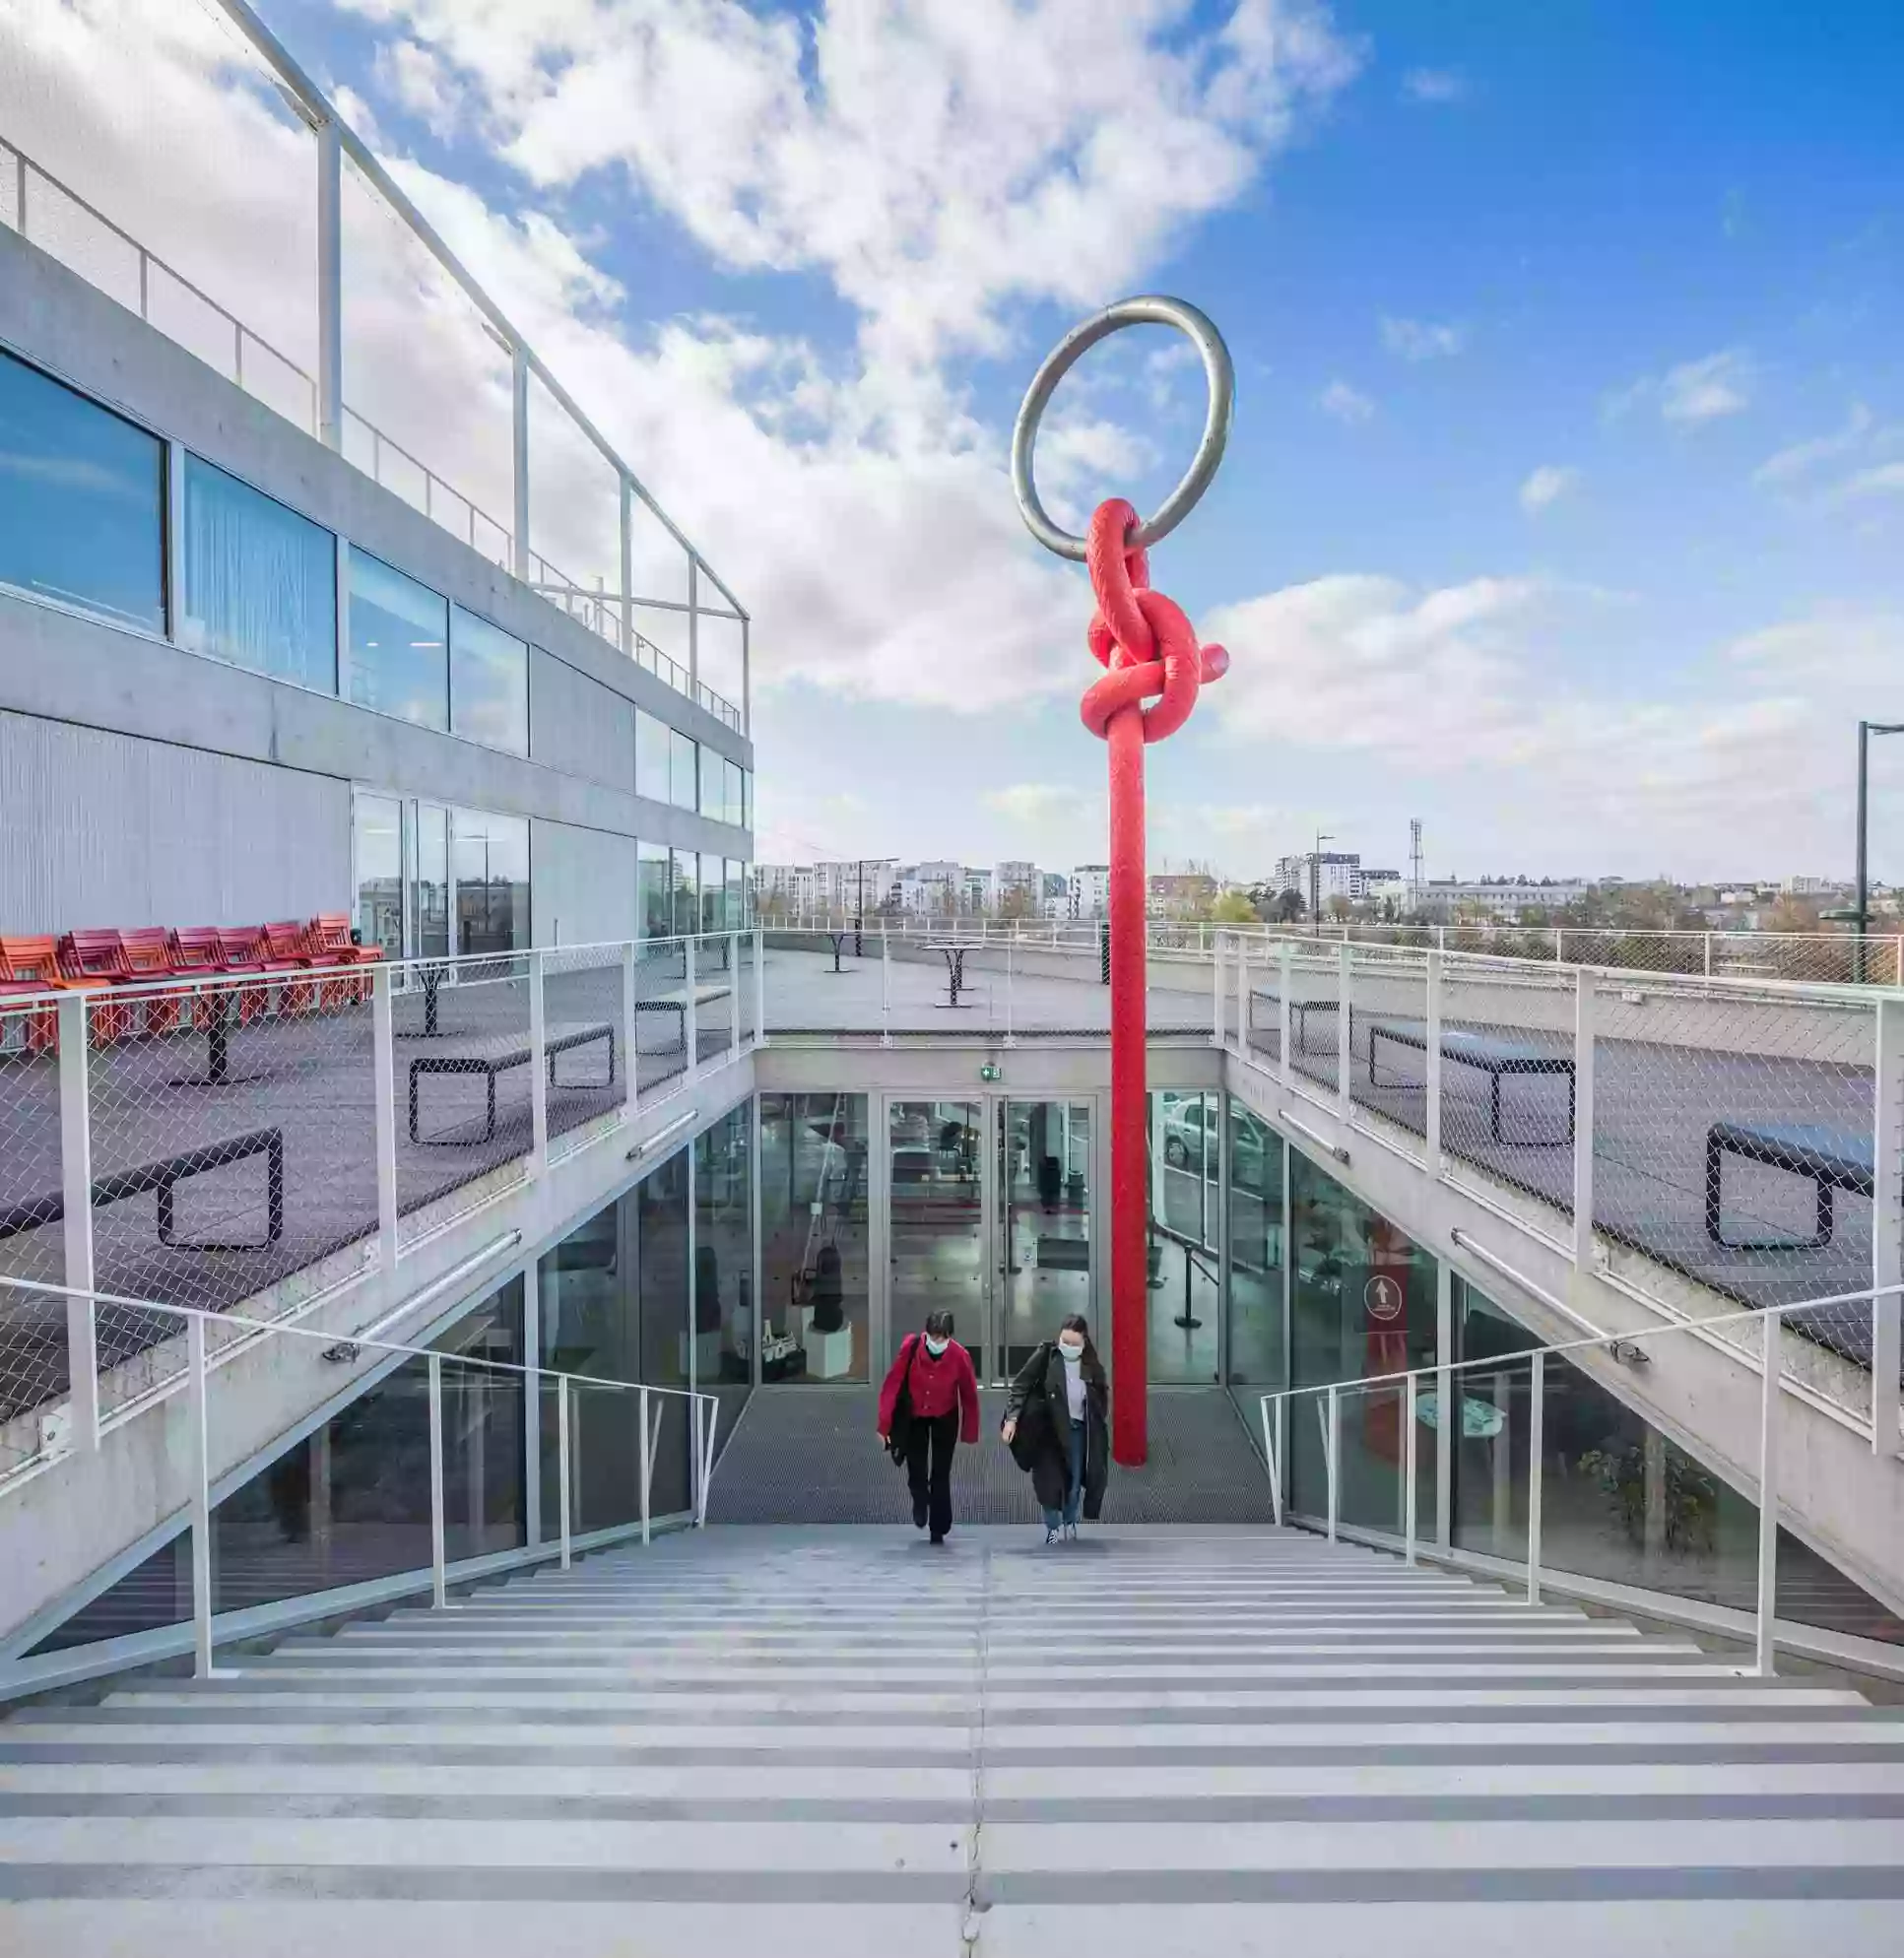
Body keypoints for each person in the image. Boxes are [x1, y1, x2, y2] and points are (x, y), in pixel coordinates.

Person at [1001, 1313, 1109, 1544]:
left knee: (1075, 1481)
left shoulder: (1091, 1366)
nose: (1068, 1347)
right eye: (1064, 1341)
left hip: (1079, 1430)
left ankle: (1070, 1521)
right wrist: (1012, 1418)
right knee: (1048, 1483)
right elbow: (1021, 1384)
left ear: (1084, 1341)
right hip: (1049, 1429)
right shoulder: (1047, 1356)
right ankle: (1053, 1527)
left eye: (1074, 1343)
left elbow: (1101, 1398)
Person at [877, 1310, 980, 1545]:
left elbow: (969, 1395)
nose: (937, 1342)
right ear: (926, 1334)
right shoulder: (911, 1348)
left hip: (946, 1414)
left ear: (950, 1337)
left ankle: (939, 1526)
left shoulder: (959, 1356)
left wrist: (969, 1431)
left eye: (943, 1337)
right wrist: (883, 1425)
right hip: (915, 1415)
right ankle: (920, 1501)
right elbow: (892, 1384)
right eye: (934, 1337)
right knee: (917, 1468)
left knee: (941, 1473)